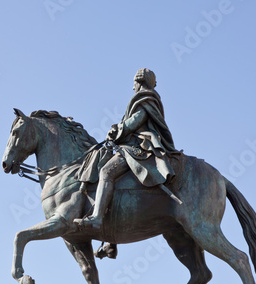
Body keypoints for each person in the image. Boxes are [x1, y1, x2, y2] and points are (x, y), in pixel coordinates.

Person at [74, 68, 178, 259]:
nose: (132, 86)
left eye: (134, 82)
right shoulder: (147, 99)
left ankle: (96, 218)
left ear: (140, 81)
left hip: (139, 146)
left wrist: (117, 130)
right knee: (109, 172)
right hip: (130, 144)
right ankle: (110, 243)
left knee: (106, 172)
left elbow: (135, 122)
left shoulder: (145, 99)